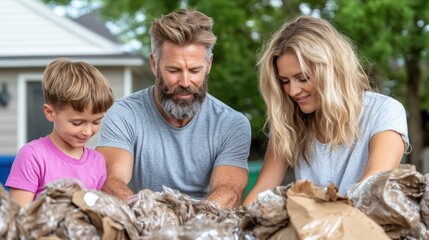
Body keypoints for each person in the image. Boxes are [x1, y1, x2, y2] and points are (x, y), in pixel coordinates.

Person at [243, 16, 410, 205]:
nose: (293, 91)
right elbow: (262, 190)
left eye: (303, 78)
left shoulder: (385, 111)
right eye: (285, 81)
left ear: (332, 71)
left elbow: (372, 186)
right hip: (312, 229)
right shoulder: (288, 121)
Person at [96, 8, 251, 208]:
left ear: (209, 64)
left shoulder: (232, 124)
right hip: (142, 222)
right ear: (154, 63)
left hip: (206, 226)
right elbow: (111, 182)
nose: (185, 82)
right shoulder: (123, 115)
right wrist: (149, 217)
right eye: (174, 70)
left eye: (195, 70)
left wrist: (190, 227)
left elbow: (229, 192)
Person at [6, 58, 114, 208]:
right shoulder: (33, 156)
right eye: (77, 123)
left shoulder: (97, 161)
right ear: (50, 113)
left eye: (96, 122)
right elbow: (18, 216)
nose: (88, 131)